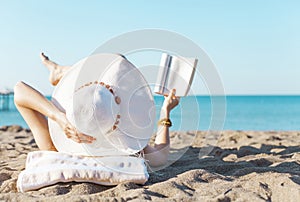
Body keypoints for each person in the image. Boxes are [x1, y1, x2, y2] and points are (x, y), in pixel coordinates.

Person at [14, 53, 180, 167]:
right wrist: (165, 112)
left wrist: (57, 116)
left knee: (115, 63)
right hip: (95, 108)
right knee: (118, 60)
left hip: (76, 112)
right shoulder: (127, 146)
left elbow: (19, 90)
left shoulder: (54, 148)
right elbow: (161, 155)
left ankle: (62, 71)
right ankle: (63, 72)